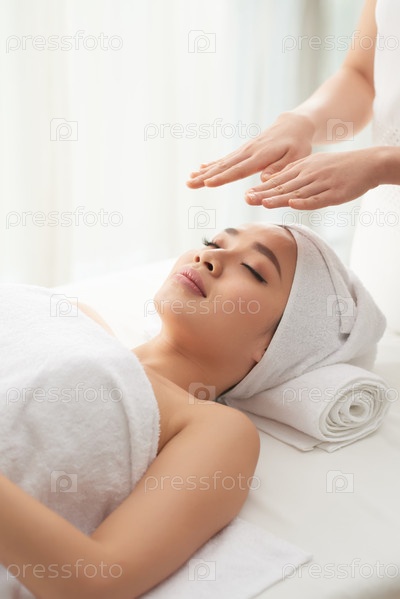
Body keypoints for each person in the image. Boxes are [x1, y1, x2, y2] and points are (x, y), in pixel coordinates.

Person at [0, 221, 385, 598]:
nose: (209, 258)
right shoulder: (74, 315)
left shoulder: (214, 428)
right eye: (212, 242)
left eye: (253, 270)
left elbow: (97, 580)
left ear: (278, 345)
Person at [186, 0, 400, 210]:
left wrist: (382, 163)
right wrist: (303, 121)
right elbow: (362, 76)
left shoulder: (378, 165)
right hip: (381, 210)